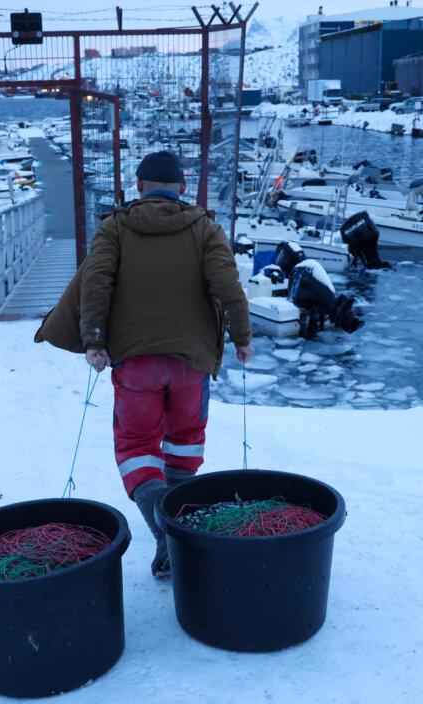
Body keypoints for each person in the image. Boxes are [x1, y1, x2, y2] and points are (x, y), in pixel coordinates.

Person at [80, 150, 253, 578]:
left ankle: (165, 533)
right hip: (192, 362)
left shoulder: (114, 227)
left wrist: (94, 340)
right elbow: (228, 286)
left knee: (138, 449)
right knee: (186, 443)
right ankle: (179, 529)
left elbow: (95, 283)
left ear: (138, 186)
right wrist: (242, 338)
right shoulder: (205, 228)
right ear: (182, 188)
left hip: (136, 362)